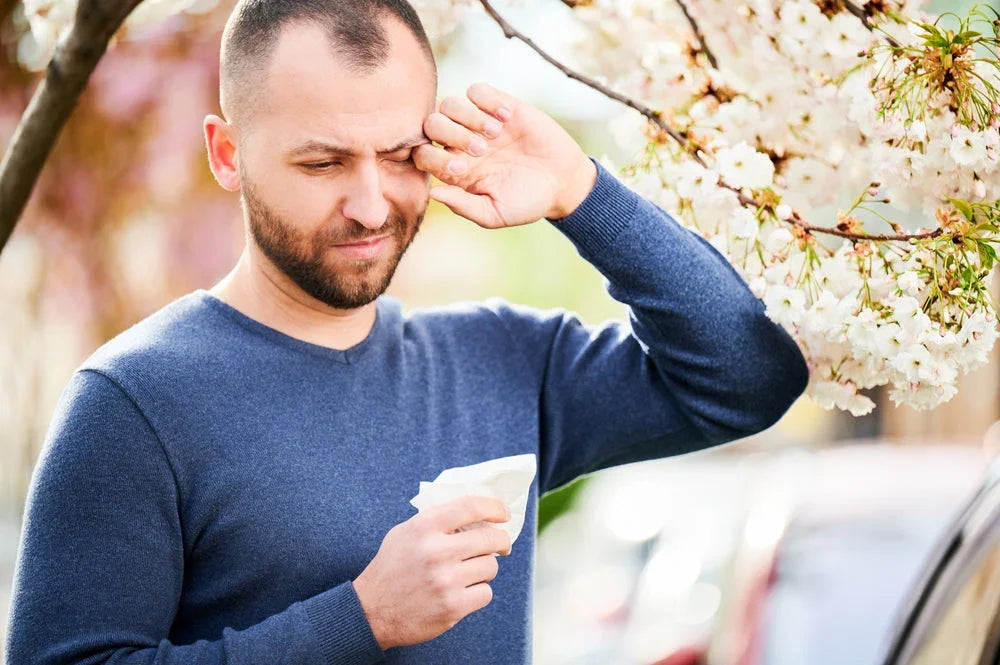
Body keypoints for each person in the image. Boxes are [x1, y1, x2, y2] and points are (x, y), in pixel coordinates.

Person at [4, 0, 811, 663]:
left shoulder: (503, 363)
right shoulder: (135, 403)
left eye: (400, 155)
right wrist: (361, 617)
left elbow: (749, 377)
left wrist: (581, 193)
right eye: (321, 164)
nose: (368, 203)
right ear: (227, 153)